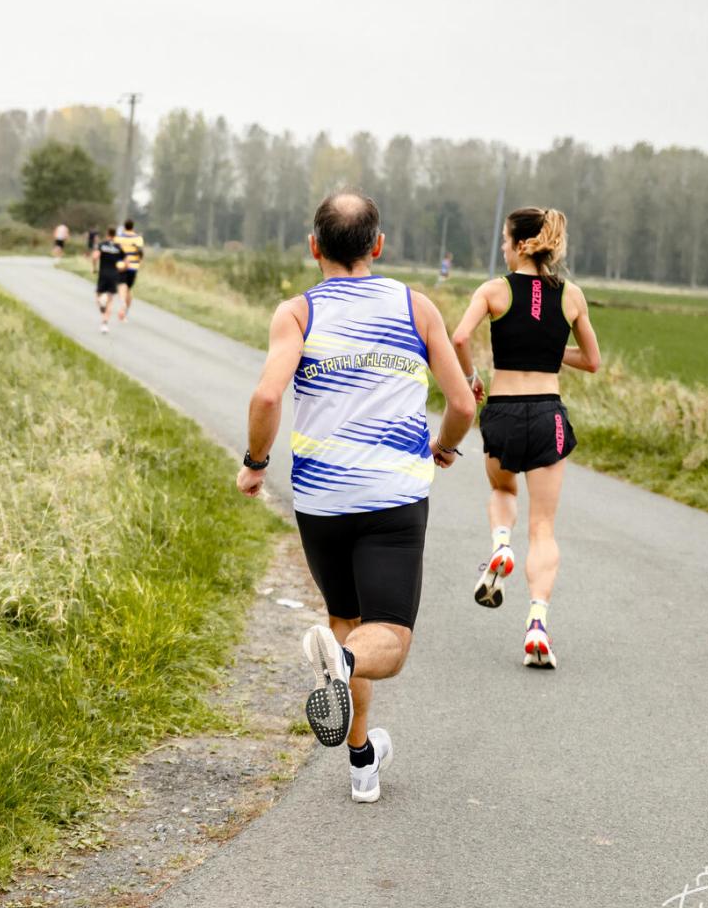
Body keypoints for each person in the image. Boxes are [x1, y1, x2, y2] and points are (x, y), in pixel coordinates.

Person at [238, 192, 475, 803]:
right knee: (386, 641)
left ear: (313, 246)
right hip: (392, 498)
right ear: (379, 244)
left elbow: (267, 397)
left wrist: (256, 464)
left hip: (320, 501)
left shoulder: (297, 313)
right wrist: (445, 447)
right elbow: (462, 403)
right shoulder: (415, 306)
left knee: (345, 624)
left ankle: (363, 763)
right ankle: (340, 666)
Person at [451, 207, 602, 669]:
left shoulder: (494, 290)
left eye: (504, 240)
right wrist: (552, 350)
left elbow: (459, 338)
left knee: (502, 490)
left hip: (502, 412)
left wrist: (472, 378)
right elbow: (592, 361)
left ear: (519, 245)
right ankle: (537, 623)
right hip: (548, 415)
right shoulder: (571, 295)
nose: (502, 247)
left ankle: (500, 545)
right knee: (543, 528)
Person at [91, 228, 125, 333]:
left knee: (98, 294)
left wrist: (94, 267)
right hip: (114, 275)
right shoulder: (118, 247)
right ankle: (105, 324)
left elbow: (95, 257)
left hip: (103, 274)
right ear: (115, 236)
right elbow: (125, 262)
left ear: (107, 234)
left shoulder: (102, 245)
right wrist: (121, 269)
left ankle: (101, 303)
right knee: (110, 301)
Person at [114, 218, 145, 322]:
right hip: (134, 266)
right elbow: (140, 251)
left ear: (124, 226)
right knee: (128, 289)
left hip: (121, 265)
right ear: (132, 227)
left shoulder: (118, 238)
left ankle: (122, 303)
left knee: (121, 285)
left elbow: (115, 251)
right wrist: (140, 261)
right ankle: (125, 312)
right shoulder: (138, 238)